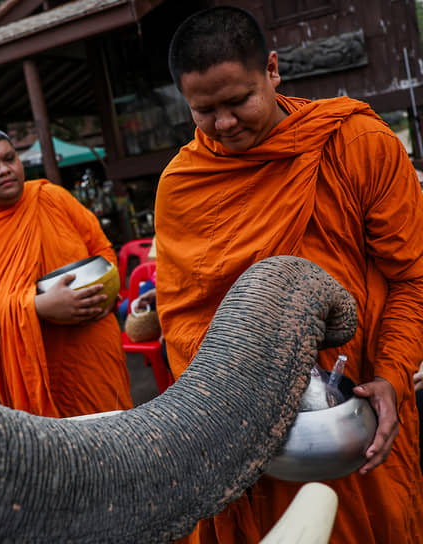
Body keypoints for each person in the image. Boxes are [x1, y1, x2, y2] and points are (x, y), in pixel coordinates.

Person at [157, 7, 423, 543]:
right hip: (245, 424)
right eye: (204, 110)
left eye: (238, 101)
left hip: (359, 410)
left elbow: (411, 278)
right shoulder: (183, 184)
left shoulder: (355, 144)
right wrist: (229, 410)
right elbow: (184, 320)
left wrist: (392, 379)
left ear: (273, 70)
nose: (225, 123)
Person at [0, 127, 132, 418]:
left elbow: (101, 247)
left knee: (118, 433)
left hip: (93, 348)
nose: (4, 170)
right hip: (41, 365)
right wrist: (38, 306)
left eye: (9, 159)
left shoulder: (51, 197)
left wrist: (109, 292)